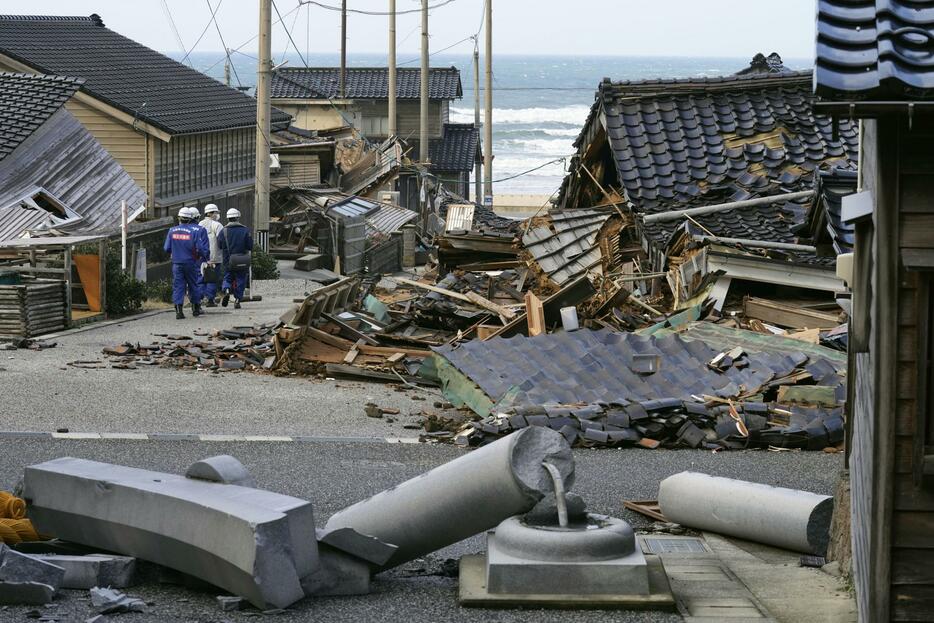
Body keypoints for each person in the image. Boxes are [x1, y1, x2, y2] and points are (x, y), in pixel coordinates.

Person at [164, 207, 209, 319]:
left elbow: (166, 248)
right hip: (191, 262)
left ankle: (179, 310)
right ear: (190, 219)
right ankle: (195, 308)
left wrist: (175, 252)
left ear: (179, 218)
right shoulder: (195, 231)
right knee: (194, 285)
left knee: (178, 286)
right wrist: (204, 257)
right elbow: (200, 247)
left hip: (176, 263)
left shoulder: (172, 230)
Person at [218, 208, 253, 309]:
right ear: (238, 217)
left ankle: (227, 289)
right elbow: (250, 246)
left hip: (228, 259)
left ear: (228, 218)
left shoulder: (223, 231)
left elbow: (220, 245)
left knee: (227, 276)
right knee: (241, 279)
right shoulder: (245, 230)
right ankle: (237, 300)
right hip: (242, 259)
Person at [197, 204, 224, 306]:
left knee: (202, 278)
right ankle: (210, 300)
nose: (217, 215)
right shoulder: (217, 225)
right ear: (210, 213)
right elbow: (221, 240)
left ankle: (199, 299)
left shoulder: (200, 224)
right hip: (214, 257)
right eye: (216, 212)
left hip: (202, 257)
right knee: (212, 279)